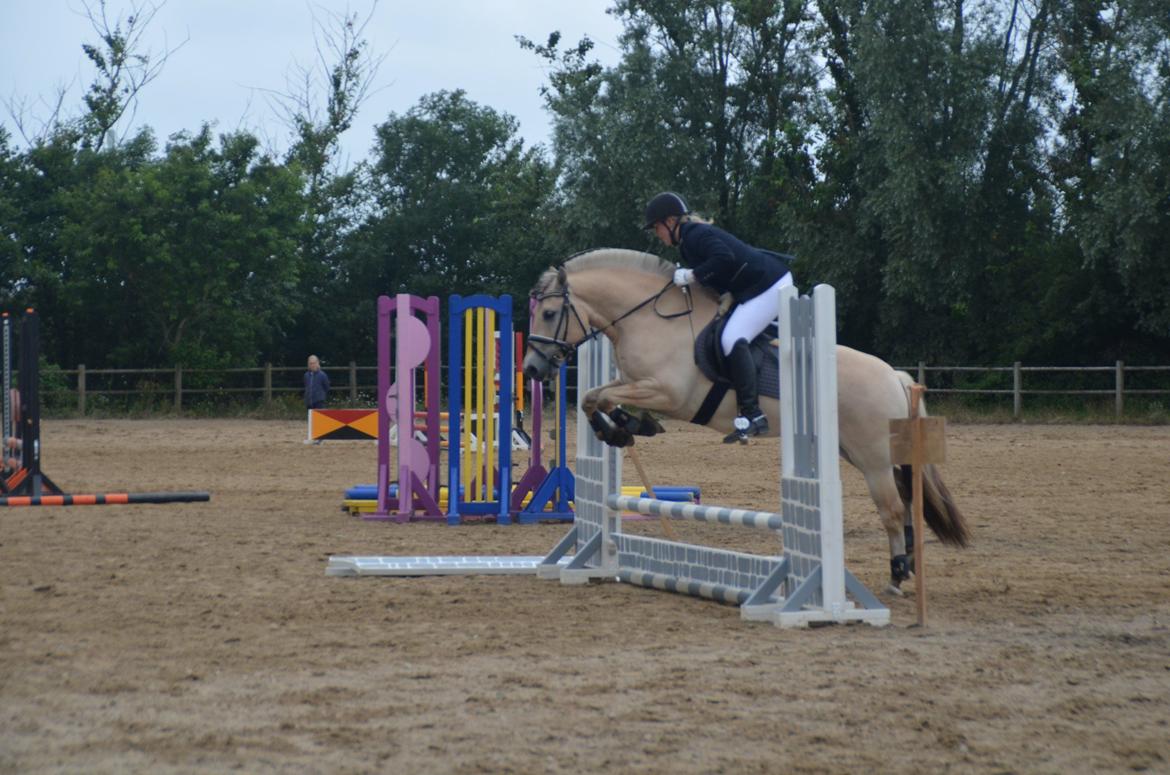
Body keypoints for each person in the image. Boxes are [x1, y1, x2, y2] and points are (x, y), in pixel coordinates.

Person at [643, 191, 794, 443]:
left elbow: (724, 258)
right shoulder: (687, 242)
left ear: (670, 222)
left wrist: (693, 275)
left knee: (732, 338)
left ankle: (753, 414)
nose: (656, 234)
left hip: (769, 285)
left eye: (656, 227)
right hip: (752, 287)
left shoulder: (696, 235)